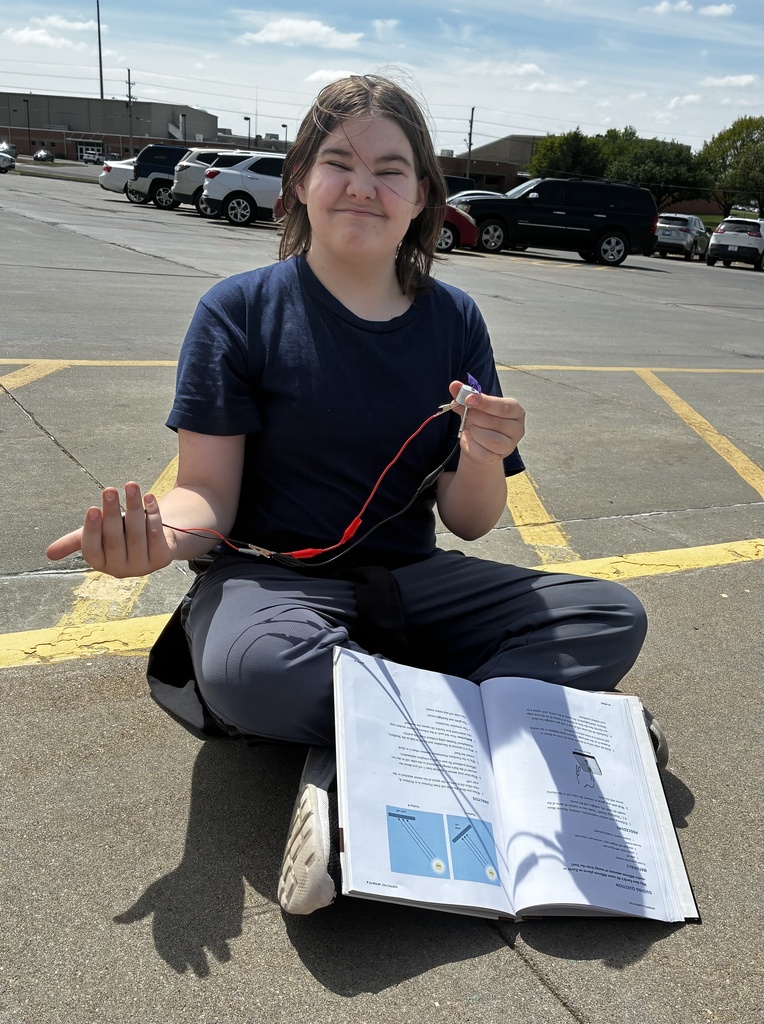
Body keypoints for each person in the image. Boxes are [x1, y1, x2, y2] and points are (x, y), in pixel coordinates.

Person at [47, 74, 660, 917]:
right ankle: (521, 734)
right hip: (276, 588)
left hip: (411, 581)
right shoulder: (238, 311)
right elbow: (206, 497)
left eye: (391, 170)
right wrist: (160, 537)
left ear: (422, 200)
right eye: (338, 162)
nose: (363, 186)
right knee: (249, 673)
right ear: (299, 180)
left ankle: (358, 760)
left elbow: (471, 522)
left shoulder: (456, 321)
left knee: (611, 616)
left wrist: (483, 454)